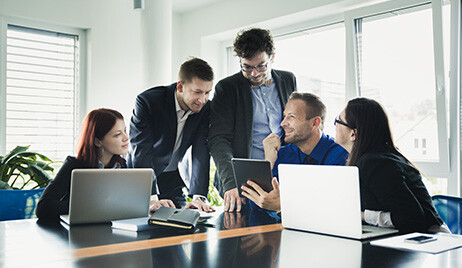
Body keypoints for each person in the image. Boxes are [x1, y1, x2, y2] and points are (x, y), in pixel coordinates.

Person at [209, 28, 297, 212]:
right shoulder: (227, 88)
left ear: (272, 57)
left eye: (261, 66)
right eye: (247, 67)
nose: (254, 74)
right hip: (243, 178)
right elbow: (219, 139)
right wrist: (230, 182)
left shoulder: (288, 79)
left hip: (284, 174)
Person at [334, 97, 449, 233]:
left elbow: (413, 219)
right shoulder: (375, 157)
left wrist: (362, 215)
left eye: (338, 120)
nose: (335, 125)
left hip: (429, 241)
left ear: (353, 133)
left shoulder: (375, 163)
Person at [128, 57, 214, 212]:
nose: (202, 100)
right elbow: (141, 150)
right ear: (180, 86)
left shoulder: (205, 108)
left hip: (173, 179)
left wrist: (199, 197)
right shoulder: (148, 102)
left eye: (207, 92)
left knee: (184, 226)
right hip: (143, 177)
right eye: (197, 92)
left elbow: (201, 149)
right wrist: (151, 197)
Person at [241, 92, 349, 212]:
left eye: (291, 117)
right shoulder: (281, 155)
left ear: (315, 123)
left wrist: (283, 206)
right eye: (284, 116)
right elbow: (256, 204)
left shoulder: (341, 156)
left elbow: (334, 207)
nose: (283, 123)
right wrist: (269, 162)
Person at [36, 108, 131, 219]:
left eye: (125, 131)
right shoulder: (73, 165)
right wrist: (90, 207)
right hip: (76, 230)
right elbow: (43, 207)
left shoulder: (121, 165)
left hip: (109, 225)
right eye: (118, 134)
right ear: (97, 141)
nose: (126, 137)